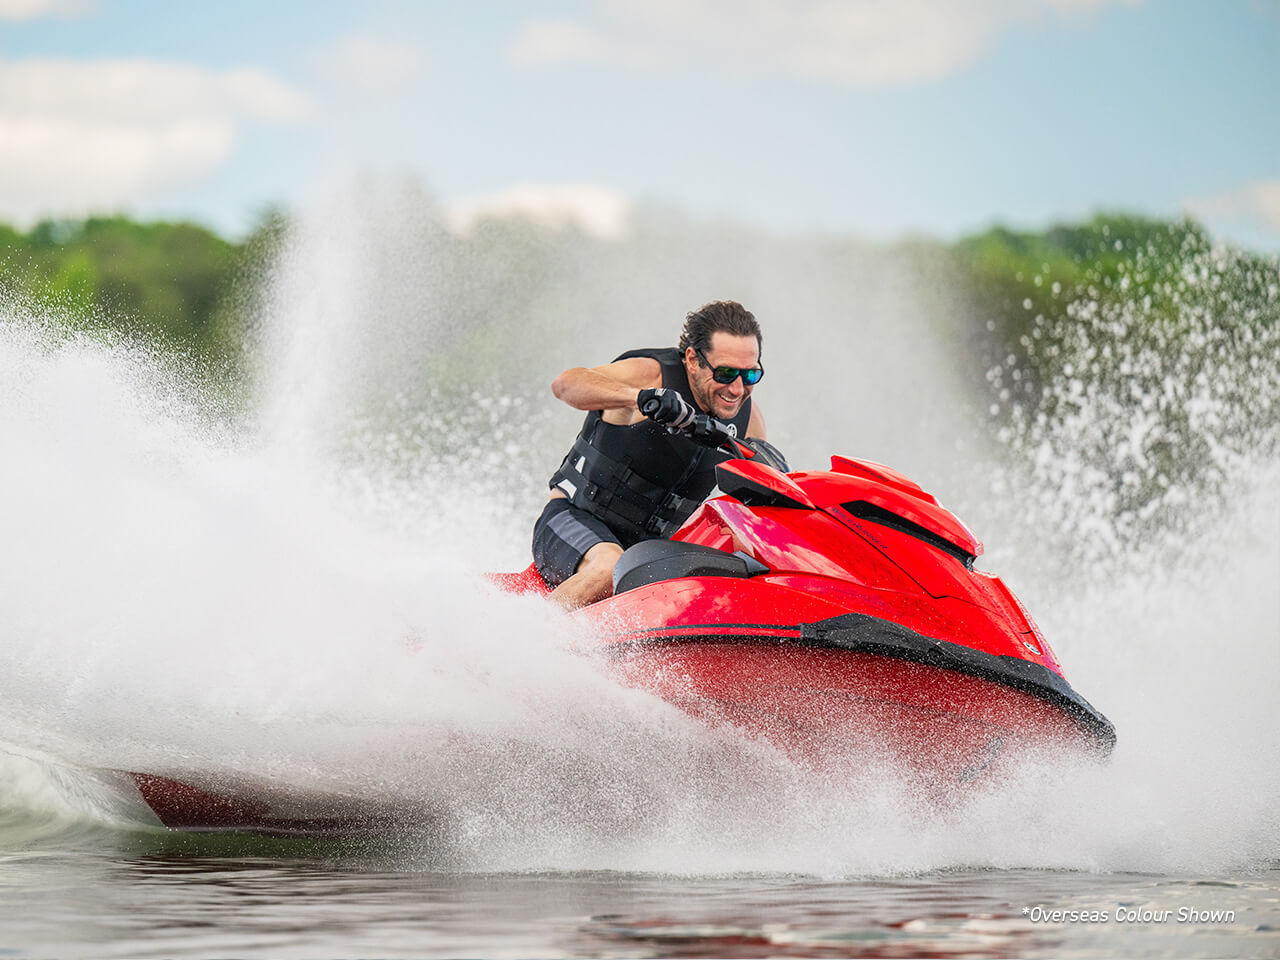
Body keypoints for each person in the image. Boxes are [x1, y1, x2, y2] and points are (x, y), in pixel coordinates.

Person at [532, 300, 770, 609]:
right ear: (693, 359)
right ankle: (528, 634)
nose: (737, 389)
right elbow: (566, 384)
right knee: (610, 570)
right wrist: (641, 398)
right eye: (725, 373)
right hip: (571, 522)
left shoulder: (749, 422)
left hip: (650, 555)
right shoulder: (651, 375)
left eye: (749, 376)